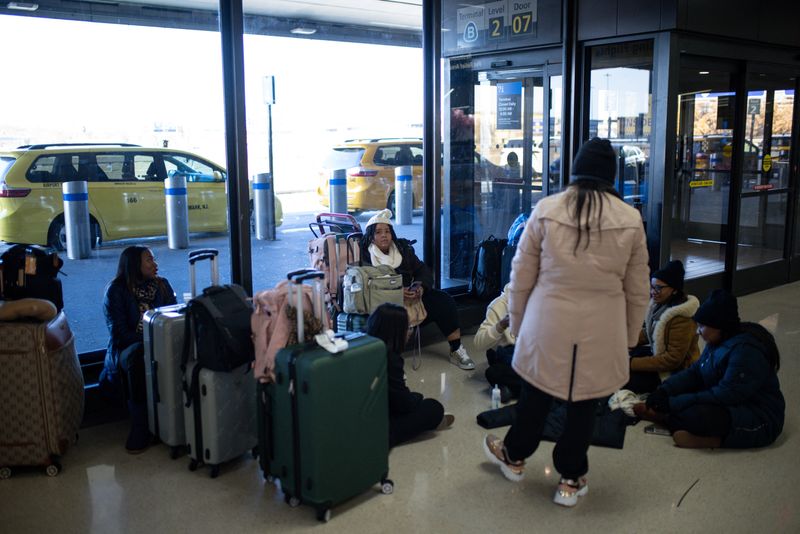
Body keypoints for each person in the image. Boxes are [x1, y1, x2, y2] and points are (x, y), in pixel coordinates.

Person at [482, 137, 650, 507]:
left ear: (575, 170)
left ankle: (514, 457)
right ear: (612, 176)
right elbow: (638, 288)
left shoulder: (547, 210)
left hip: (548, 323)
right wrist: (627, 338)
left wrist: (520, 327)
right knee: (584, 406)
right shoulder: (629, 219)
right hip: (601, 328)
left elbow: (521, 276)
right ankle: (570, 481)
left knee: (536, 397)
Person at [634, 289, 785, 449]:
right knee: (683, 393)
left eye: (701, 326)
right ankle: (671, 418)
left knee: (697, 415)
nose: (698, 331)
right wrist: (664, 390)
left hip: (759, 416)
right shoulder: (717, 340)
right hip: (728, 399)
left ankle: (710, 439)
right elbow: (695, 372)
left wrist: (672, 404)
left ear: (718, 326)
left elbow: (724, 396)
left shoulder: (746, 353)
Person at [360, 209, 476, 370]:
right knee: (390, 314)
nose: (384, 235)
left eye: (387, 231)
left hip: (411, 298)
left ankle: (456, 349)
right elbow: (367, 286)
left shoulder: (402, 249)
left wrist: (420, 286)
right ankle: (392, 365)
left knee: (443, 301)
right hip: (384, 303)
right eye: (378, 232)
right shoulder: (365, 255)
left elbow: (422, 270)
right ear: (371, 236)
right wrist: (396, 293)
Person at [101, 245, 176, 453]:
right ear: (134, 265)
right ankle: (140, 425)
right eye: (149, 260)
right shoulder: (116, 291)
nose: (155, 264)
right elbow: (120, 335)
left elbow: (174, 318)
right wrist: (152, 340)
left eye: (153, 259)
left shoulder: (162, 286)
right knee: (137, 358)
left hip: (159, 342)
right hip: (128, 348)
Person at [366, 303, 454, 447]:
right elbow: (403, 403)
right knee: (434, 408)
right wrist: (417, 398)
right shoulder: (390, 358)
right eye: (408, 328)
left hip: (362, 412)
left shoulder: (364, 347)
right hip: (378, 426)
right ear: (396, 331)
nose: (410, 332)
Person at [625, 260, 700, 393]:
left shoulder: (682, 318)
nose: (653, 292)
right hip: (659, 353)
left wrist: (631, 363)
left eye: (658, 288)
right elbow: (651, 333)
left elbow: (672, 360)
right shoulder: (660, 305)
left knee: (623, 377)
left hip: (676, 372)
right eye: (652, 286)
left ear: (674, 290)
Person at [473, 283, 522, 403]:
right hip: (506, 355)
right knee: (493, 372)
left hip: (530, 356)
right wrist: (501, 325)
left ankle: (513, 389)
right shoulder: (498, 305)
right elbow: (478, 343)